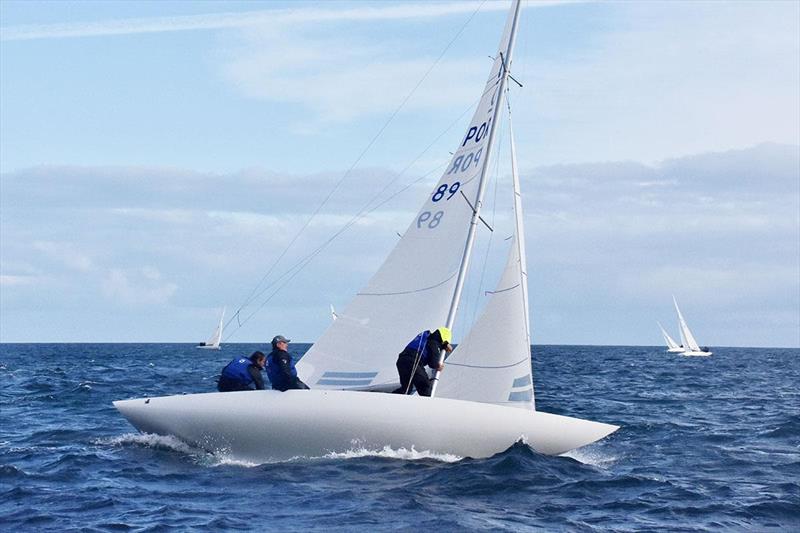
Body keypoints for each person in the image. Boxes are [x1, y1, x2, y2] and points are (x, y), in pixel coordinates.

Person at [393, 327, 453, 397]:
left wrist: (443, 345)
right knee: (425, 386)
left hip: (402, 360)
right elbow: (433, 363)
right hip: (412, 360)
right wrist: (438, 365)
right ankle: (427, 406)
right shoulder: (434, 342)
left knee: (406, 389)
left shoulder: (427, 337)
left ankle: (385, 398)